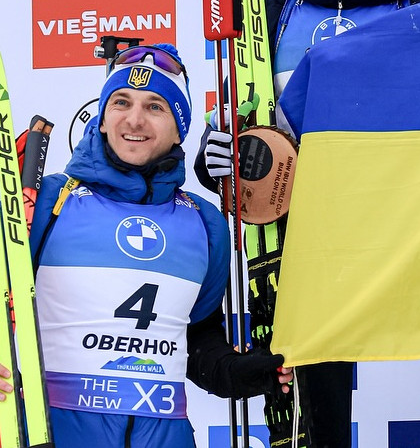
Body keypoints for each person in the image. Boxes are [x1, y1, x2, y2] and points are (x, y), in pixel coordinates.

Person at [196, 0, 420, 447]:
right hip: (297, 227)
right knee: (312, 393)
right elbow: (239, 113)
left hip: (394, 221)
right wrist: (218, 158)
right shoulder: (275, 11)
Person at [27, 43, 291, 446]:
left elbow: (197, 338)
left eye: (155, 106)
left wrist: (240, 372)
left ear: (179, 127)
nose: (134, 119)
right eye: (120, 102)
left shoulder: (204, 223)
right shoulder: (48, 201)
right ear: (101, 119)